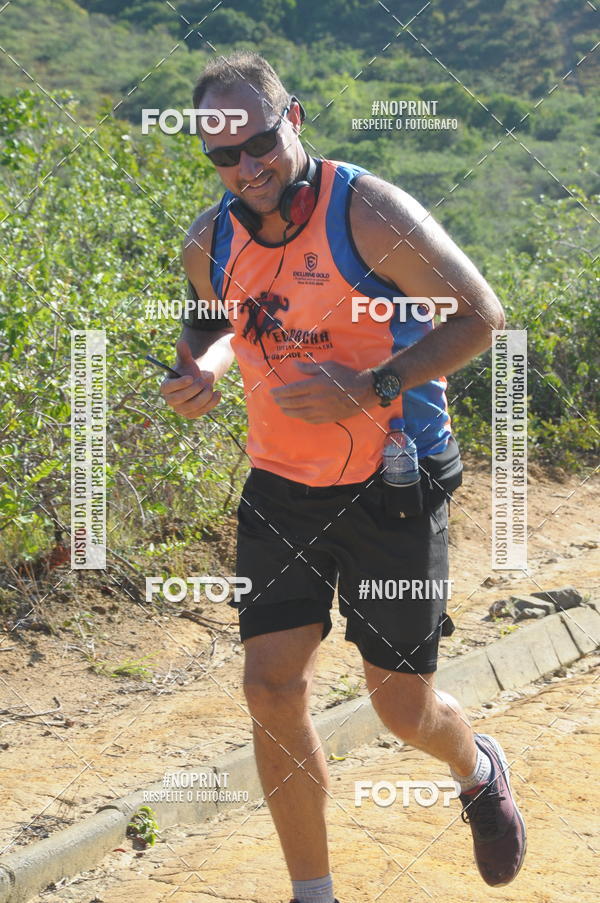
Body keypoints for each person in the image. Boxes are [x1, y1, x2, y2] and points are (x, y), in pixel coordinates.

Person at [160, 50, 526, 903]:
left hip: (392, 483)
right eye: (223, 155)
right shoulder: (209, 241)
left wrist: (369, 386)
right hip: (283, 487)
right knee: (270, 688)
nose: (246, 167)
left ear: (294, 121)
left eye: (258, 142)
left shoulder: (367, 212)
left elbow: (481, 316)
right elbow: (211, 325)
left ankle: (476, 766)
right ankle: (313, 893)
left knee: (402, 709)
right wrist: (199, 374)